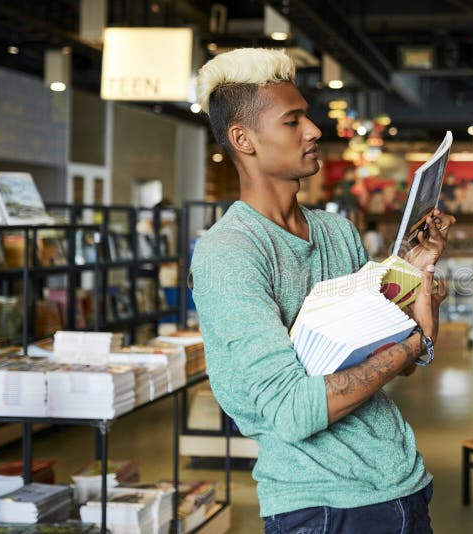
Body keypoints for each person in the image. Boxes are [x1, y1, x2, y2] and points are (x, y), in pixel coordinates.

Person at [189, 48, 455, 533]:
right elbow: (293, 411)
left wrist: (415, 271)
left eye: (307, 117)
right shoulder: (228, 254)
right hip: (323, 508)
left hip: (403, 482)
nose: (313, 131)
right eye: (293, 121)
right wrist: (419, 340)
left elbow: (386, 350)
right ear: (242, 139)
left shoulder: (337, 232)